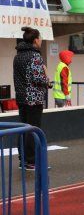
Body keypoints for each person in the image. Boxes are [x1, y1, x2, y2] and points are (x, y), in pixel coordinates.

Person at [13, 27, 51, 171]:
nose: (41, 40)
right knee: (33, 129)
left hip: (21, 98)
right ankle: (31, 161)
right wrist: (47, 80)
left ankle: (23, 160)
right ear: (35, 40)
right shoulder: (35, 56)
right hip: (34, 98)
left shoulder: (17, 56)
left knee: (23, 128)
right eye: (40, 38)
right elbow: (37, 78)